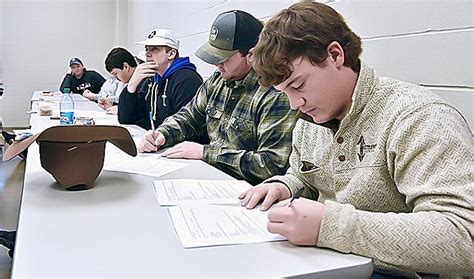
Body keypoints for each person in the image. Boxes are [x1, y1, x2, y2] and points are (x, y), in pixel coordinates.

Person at [239, 2, 473, 277]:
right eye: (284, 92)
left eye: (299, 85)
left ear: (335, 55)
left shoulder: (419, 117)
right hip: (327, 260)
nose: (294, 104)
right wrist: (285, 186)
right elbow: (306, 178)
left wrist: (330, 226)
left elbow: (464, 237)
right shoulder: (310, 119)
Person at [139, 11, 296, 185]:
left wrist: (205, 153)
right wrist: (162, 133)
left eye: (224, 58)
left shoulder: (274, 94)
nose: (216, 64)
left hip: (245, 190)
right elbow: (189, 116)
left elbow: (271, 165)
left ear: (251, 55)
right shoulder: (217, 80)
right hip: (209, 179)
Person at [118, 29, 203, 130]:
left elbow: (187, 126)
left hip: (175, 143)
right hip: (156, 140)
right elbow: (126, 119)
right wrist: (132, 85)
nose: (147, 54)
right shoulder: (152, 80)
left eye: (154, 49)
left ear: (171, 54)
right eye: (146, 49)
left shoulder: (187, 80)